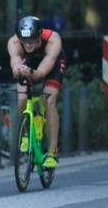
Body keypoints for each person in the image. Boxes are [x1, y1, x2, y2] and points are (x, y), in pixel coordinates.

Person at [7, 15, 65, 169]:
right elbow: (15, 64)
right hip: (29, 62)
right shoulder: (14, 42)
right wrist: (18, 71)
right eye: (25, 42)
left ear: (40, 35)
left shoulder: (53, 40)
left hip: (50, 64)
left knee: (48, 100)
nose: (28, 45)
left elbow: (41, 73)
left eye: (32, 41)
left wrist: (29, 72)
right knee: (21, 99)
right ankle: (24, 134)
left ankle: (53, 151)